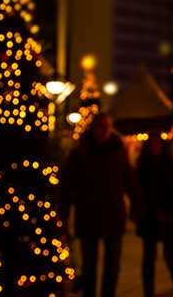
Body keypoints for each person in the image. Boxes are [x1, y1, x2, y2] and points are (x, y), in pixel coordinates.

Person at [60, 113, 141, 297]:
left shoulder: (117, 149)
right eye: (100, 126)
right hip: (88, 214)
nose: (103, 130)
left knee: (112, 264)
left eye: (106, 126)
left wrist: (137, 204)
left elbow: (128, 179)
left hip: (113, 214)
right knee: (89, 264)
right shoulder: (80, 152)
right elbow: (67, 185)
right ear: (93, 128)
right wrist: (63, 214)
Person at [136, 134, 173, 297]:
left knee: (171, 257)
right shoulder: (143, 164)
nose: (155, 147)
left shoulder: (170, 162)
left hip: (169, 214)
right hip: (150, 216)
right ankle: (149, 291)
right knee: (150, 258)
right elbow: (140, 190)